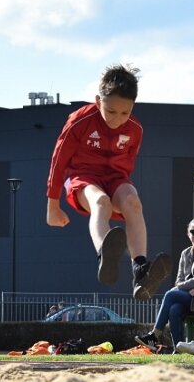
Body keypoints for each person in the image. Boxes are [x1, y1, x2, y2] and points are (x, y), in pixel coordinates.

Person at [46, 64, 170, 300]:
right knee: (101, 202)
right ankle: (105, 253)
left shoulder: (135, 129)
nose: (118, 120)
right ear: (97, 100)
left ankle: (140, 270)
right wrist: (53, 206)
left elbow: (126, 167)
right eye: (111, 111)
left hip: (114, 179)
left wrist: (121, 202)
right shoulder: (80, 121)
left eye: (125, 113)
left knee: (133, 202)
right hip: (83, 178)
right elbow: (58, 162)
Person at [135, 218, 194, 351]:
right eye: (193, 231)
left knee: (170, 294)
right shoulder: (185, 253)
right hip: (187, 296)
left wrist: (181, 288)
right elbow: (178, 280)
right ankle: (178, 349)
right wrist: (185, 289)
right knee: (174, 309)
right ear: (188, 234)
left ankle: (154, 335)